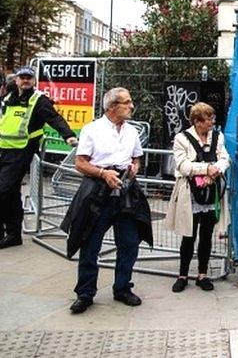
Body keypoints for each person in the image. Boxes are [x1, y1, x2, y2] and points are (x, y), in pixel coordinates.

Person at [65, 87, 152, 313]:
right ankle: (85, 293)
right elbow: (80, 163)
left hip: (125, 192)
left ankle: (122, 288)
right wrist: (104, 174)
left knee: (130, 242)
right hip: (97, 191)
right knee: (90, 243)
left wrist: (135, 167)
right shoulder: (92, 129)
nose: (132, 106)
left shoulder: (132, 131)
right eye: (127, 102)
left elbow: (137, 158)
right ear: (112, 107)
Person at [0, 67, 77, 250]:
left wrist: (68, 135)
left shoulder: (39, 100)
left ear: (34, 81)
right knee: (10, 195)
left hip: (21, 153)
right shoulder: (6, 98)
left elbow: (55, 118)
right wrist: (1, 131)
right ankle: (13, 235)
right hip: (3, 151)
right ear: (17, 80)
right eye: (22, 78)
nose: (25, 81)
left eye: (29, 78)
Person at [166, 102, 230, 292]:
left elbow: (225, 158)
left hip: (211, 192)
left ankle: (202, 274)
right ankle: (182, 275)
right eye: (208, 119)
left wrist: (215, 171)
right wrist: (206, 169)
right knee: (188, 235)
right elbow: (183, 165)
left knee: (207, 235)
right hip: (189, 194)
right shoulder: (181, 139)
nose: (212, 122)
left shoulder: (218, 137)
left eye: (212, 118)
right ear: (197, 121)